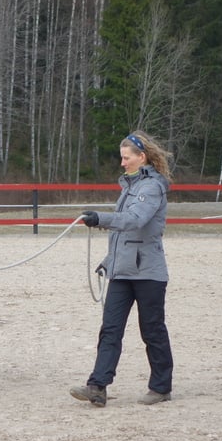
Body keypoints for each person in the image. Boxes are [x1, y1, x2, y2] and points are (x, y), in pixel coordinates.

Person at [70, 130, 174, 408]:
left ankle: (161, 386)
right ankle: (97, 385)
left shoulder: (151, 188)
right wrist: (109, 260)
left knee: (152, 330)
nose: (122, 163)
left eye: (126, 158)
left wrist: (100, 218)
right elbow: (124, 235)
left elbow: (134, 221)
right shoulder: (130, 187)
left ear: (142, 158)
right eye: (122, 158)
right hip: (122, 272)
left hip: (148, 273)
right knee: (110, 329)